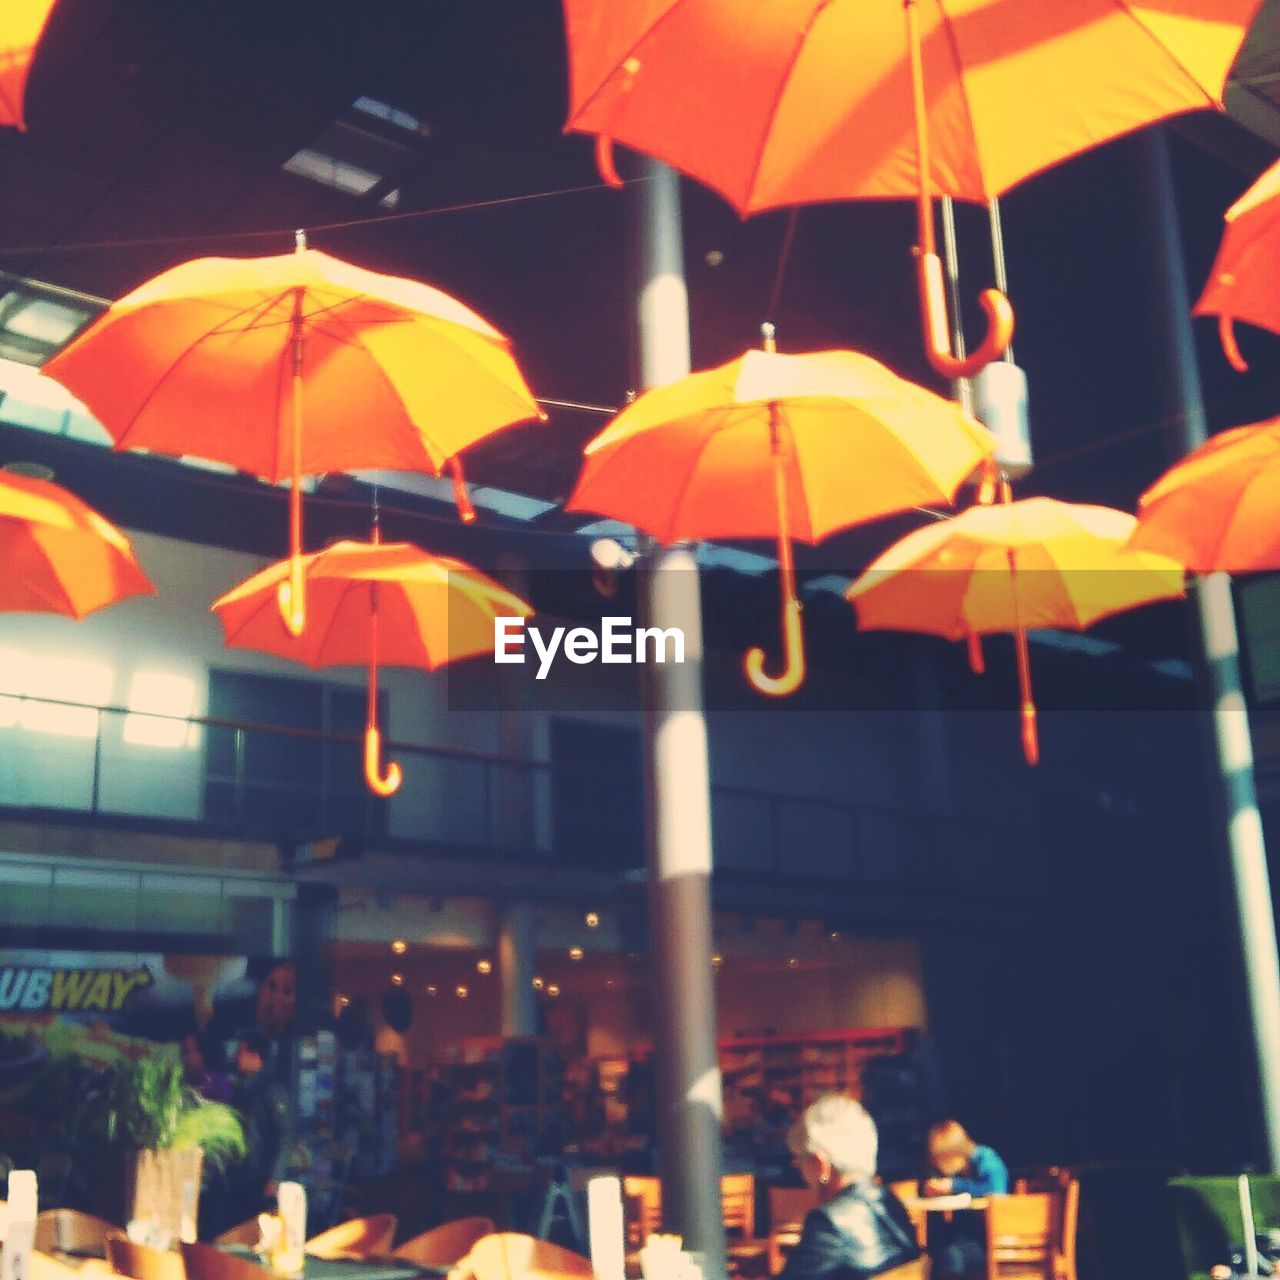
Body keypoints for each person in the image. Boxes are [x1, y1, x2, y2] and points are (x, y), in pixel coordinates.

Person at [778, 1094, 920, 1280]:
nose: (799, 1170)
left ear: (821, 1165)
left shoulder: (829, 1223)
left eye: (801, 1161)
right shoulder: (890, 1205)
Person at [921, 1119, 1009, 1277]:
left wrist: (954, 1186)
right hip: (972, 1237)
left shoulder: (986, 1159)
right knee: (937, 1251)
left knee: (950, 1256)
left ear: (952, 1153)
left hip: (995, 1242)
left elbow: (996, 1191)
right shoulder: (962, 1169)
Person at [225, 1029, 292, 1224]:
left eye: (240, 1051)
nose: (235, 1056)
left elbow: (284, 1136)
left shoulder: (271, 1091)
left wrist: (274, 1178)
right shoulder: (242, 1089)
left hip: (260, 1181)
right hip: (240, 1180)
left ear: (255, 1056)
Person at [181, 1031, 232, 1104]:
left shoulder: (217, 1084)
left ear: (201, 1055)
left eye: (187, 1052)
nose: (184, 1057)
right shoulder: (189, 1078)